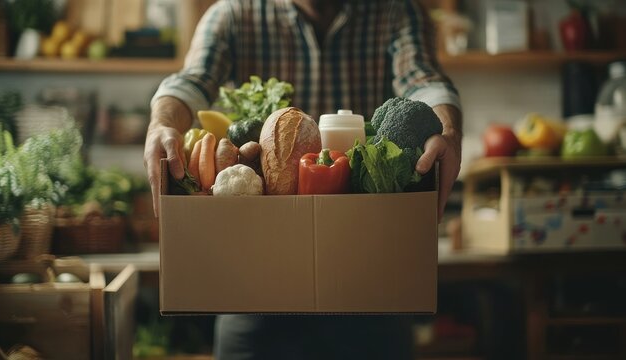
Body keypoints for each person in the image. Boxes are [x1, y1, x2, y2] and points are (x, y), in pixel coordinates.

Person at [145, 0, 462, 358]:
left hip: (369, 281)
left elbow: (424, 80)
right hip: (256, 288)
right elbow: (190, 81)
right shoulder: (234, 13)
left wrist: (447, 130)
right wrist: (163, 123)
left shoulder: (395, 10)